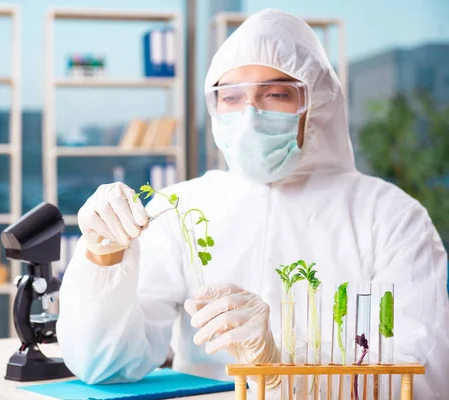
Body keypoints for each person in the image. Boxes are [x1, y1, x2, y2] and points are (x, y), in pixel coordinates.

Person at [56, 8, 449, 398]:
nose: (250, 114)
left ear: (317, 102)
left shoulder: (391, 217)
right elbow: (104, 366)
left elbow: (424, 380)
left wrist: (280, 370)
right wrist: (103, 259)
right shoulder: (184, 207)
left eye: (276, 93)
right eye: (231, 96)